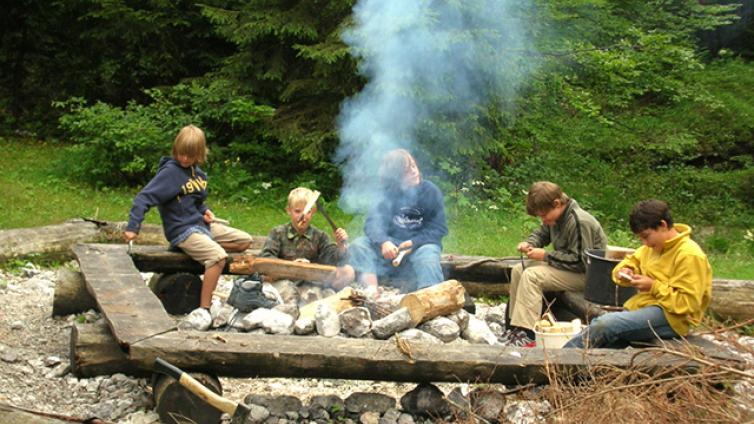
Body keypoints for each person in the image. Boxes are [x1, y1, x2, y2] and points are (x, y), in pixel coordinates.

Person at [124, 125, 253, 330]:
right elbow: (144, 197)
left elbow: (196, 201)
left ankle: (200, 247)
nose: (184, 159)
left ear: (199, 154)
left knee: (245, 241)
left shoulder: (198, 174)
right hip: (181, 229)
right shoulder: (170, 173)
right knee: (217, 257)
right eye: (181, 154)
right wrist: (133, 226)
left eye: (190, 156)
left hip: (200, 225)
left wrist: (205, 211)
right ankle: (204, 309)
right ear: (175, 150)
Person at [564, 199, 712, 349]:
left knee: (605, 324)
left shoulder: (689, 255)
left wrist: (653, 286)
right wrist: (625, 271)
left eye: (646, 236)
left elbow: (687, 304)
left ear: (662, 225)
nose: (644, 243)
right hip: (645, 307)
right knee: (609, 341)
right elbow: (630, 261)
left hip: (673, 318)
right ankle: (577, 369)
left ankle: (556, 362)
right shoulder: (652, 247)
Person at [503, 181, 607, 347]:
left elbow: (580, 262)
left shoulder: (579, 221)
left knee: (532, 276)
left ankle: (528, 334)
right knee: (518, 269)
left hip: (587, 276)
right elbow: (541, 234)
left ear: (557, 204)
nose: (542, 220)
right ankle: (515, 328)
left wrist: (545, 255)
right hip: (569, 268)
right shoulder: (556, 217)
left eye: (543, 215)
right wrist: (529, 243)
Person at [348, 149, 448, 294]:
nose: (414, 171)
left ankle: (430, 296)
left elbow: (438, 228)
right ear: (396, 177)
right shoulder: (386, 194)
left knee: (428, 257)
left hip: (420, 246)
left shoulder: (430, 191)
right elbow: (372, 224)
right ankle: (370, 291)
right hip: (391, 247)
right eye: (407, 171)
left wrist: (414, 243)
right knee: (359, 245)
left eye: (413, 165)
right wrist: (383, 242)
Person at [259, 187, 354, 288]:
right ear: (288, 211)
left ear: (313, 212)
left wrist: (341, 245)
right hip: (283, 281)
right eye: (297, 211)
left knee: (348, 271)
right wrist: (291, 266)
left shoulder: (320, 236)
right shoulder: (278, 233)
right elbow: (266, 257)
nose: (302, 217)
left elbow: (334, 261)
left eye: (307, 212)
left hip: (312, 283)